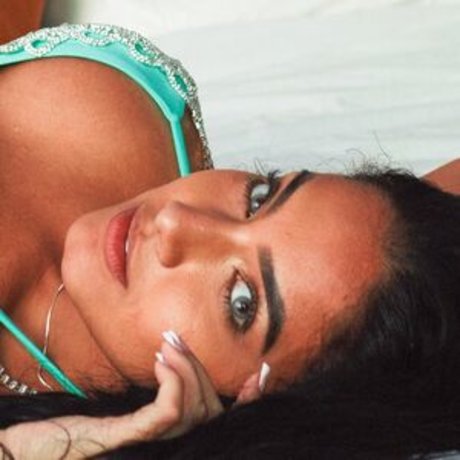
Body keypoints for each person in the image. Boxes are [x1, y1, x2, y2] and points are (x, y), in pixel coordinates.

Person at [0, 22, 459, 458]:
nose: (176, 222)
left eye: (241, 303)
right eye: (261, 197)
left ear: (251, 409)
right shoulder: (126, 113)